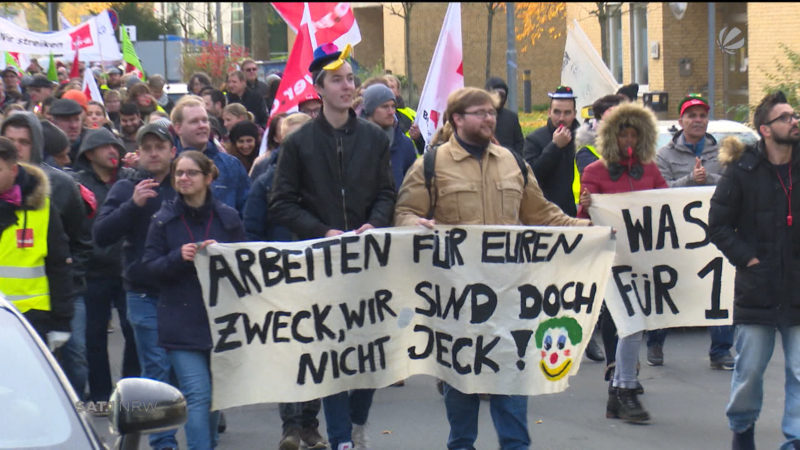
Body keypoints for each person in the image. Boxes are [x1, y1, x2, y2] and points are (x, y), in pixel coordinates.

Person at [394, 87, 588, 449]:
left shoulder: (513, 162)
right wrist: (412, 226)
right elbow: (405, 213)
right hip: (457, 299)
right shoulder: (431, 165)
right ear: (457, 119)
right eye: (480, 112)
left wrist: (591, 231)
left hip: (510, 295)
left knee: (512, 377)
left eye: (492, 113)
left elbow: (542, 215)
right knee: (462, 384)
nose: (489, 119)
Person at [269, 42, 395, 450]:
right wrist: (321, 231)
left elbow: (387, 194)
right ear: (318, 88)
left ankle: (357, 423)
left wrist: (372, 224)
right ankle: (341, 439)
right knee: (333, 358)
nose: (347, 86)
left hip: (367, 262)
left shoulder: (375, 138)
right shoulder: (299, 143)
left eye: (350, 79)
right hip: (319, 264)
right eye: (337, 80)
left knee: (371, 357)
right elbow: (281, 203)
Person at [709, 91, 800, 450]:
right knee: (749, 374)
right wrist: (747, 259)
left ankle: (795, 439)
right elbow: (717, 225)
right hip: (757, 291)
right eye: (785, 117)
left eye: (795, 115)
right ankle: (742, 429)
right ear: (765, 129)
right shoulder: (743, 171)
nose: (794, 121)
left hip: (797, 289)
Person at [143, 150, 244, 450]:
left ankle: (207, 444)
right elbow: (149, 268)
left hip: (220, 322)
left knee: (214, 395)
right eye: (179, 174)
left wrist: (223, 256)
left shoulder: (228, 218)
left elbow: (246, 265)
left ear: (209, 177)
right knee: (198, 393)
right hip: (180, 321)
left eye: (191, 173)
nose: (183, 178)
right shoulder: (163, 220)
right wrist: (179, 256)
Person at [578, 102, 668, 424]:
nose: (628, 140)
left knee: (634, 325)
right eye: (622, 134)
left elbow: (666, 210)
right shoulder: (594, 171)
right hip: (612, 260)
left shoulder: (652, 170)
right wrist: (585, 206)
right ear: (611, 137)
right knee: (631, 325)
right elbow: (586, 222)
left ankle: (616, 395)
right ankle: (626, 389)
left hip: (643, 260)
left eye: (634, 134)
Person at [93, 120, 179, 450]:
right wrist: (134, 204)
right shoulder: (126, 186)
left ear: (172, 151)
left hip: (184, 293)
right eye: (148, 148)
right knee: (156, 367)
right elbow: (101, 234)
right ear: (138, 153)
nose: (154, 154)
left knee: (187, 372)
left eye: (160, 148)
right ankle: (164, 444)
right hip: (142, 293)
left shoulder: (185, 182)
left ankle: (202, 436)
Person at [1, 111, 93, 396]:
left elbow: (78, 244)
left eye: (24, 142)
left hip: (56, 299)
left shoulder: (59, 187)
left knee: (74, 361)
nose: (17, 149)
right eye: (10, 141)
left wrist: (67, 288)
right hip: (9, 310)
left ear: (37, 144)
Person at [651, 94, 734, 370]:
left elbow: (736, 185)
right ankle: (655, 342)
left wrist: (709, 179)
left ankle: (721, 351)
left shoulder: (723, 152)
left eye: (702, 115)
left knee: (719, 289)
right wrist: (689, 180)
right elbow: (658, 190)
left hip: (714, 234)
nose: (698, 120)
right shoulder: (664, 155)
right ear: (681, 121)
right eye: (692, 116)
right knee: (667, 287)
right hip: (676, 235)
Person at [72, 128, 140, 403]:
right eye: (105, 147)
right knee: (94, 336)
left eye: (116, 146)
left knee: (133, 332)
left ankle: (130, 395)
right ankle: (100, 395)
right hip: (93, 271)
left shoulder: (129, 180)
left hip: (126, 269)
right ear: (89, 154)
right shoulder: (77, 184)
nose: (113, 151)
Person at [0, 137, 73, 349]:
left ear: (14, 170)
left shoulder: (41, 208)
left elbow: (59, 264)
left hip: (30, 319)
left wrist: (62, 321)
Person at [573, 94, 628, 368]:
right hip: (604, 239)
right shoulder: (590, 159)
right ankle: (615, 366)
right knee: (613, 305)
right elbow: (588, 209)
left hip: (636, 243)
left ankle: (626, 366)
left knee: (632, 308)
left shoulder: (645, 163)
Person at [172, 95, 250, 212]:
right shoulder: (169, 166)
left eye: (204, 120)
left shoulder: (231, 165)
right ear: (178, 128)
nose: (202, 125)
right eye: (194, 122)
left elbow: (247, 209)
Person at [243, 112, 309, 242]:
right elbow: (251, 231)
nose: (298, 144)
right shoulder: (265, 183)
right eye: (291, 139)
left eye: (304, 137)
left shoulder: (331, 175)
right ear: (281, 141)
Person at [523, 85, 581, 216]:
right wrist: (554, 147)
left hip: (578, 212)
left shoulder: (584, 139)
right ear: (549, 112)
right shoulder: (534, 139)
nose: (561, 118)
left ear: (574, 114)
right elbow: (531, 177)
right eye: (557, 112)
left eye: (567, 113)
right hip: (545, 213)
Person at [361, 83, 416, 189]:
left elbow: (412, 186)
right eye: (385, 106)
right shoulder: (355, 139)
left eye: (393, 106)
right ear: (370, 109)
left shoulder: (404, 143)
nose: (391, 112)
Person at [485, 76, 524, 156]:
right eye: (495, 95)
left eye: (502, 96)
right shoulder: (478, 116)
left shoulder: (511, 118)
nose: (498, 99)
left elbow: (519, 144)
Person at [48, 98, 89, 165]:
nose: (74, 126)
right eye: (66, 120)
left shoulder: (90, 149)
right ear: (53, 122)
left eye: (77, 119)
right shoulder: (45, 150)